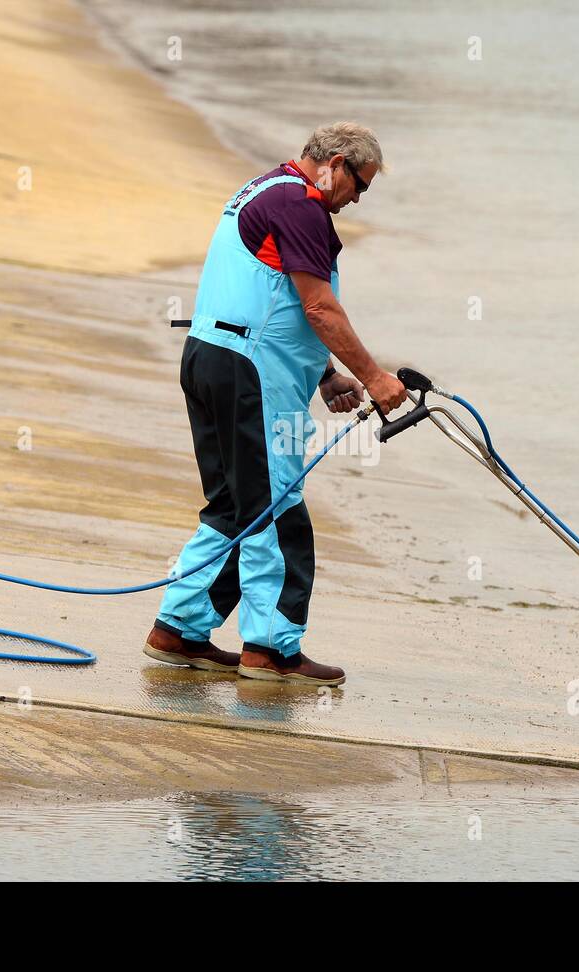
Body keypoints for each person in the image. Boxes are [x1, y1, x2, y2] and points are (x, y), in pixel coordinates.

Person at [144, 122, 406, 686]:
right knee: (276, 510)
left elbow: (271, 297)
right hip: (251, 377)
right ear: (335, 162)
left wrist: (326, 375)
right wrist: (375, 377)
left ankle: (179, 630)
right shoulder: (301, 204)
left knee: (234, 506)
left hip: (211, 360)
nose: (358, 198)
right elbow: (318, 309)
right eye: (359, 183)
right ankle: (271, 648)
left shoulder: (265, 190)